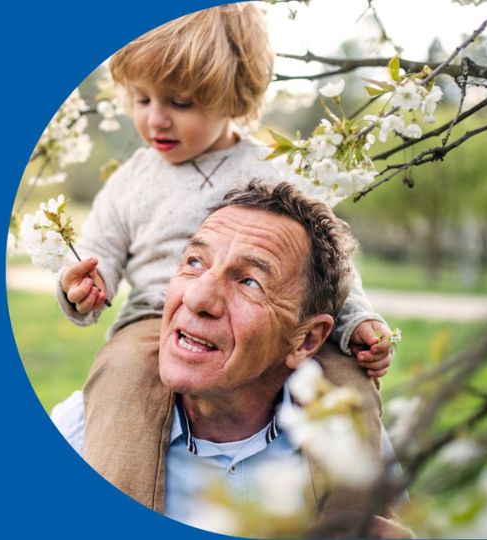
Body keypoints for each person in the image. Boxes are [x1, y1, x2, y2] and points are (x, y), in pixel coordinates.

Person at [55, 3, 394, 496]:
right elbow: (97, 247)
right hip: (155, 320)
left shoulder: (274, 167)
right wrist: (83, 284)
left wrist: (356, 321)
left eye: (180, 103)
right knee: (123, 378)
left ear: (233, 97)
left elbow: (329, 267)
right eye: (142, 99)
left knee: (347, 381)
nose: (156, 120)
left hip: (272, 325)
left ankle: (358, 515)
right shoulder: (133, 179)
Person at [53, 181, 411, 537]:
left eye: (250, 282)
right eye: (194, 262)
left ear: (307, 340)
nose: (197, 298)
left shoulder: (349, 440)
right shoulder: (83, 432)